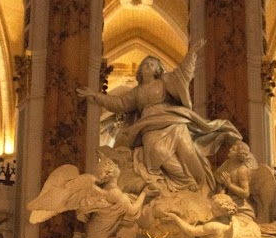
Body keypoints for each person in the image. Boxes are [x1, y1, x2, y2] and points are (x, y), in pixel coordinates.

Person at [77, 40, 241, 195]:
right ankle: (186, 182)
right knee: (157, 152)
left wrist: (192, 53)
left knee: (188, 151)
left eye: (151, 64)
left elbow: (184, 73)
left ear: (157, 70)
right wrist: (95, 96)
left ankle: (202, 185)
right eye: (145, 64)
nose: (147, 66)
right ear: (141, 69)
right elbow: (119, 103)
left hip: (172, 120)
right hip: (149, 127)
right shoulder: (137, 91)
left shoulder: (164, 81)